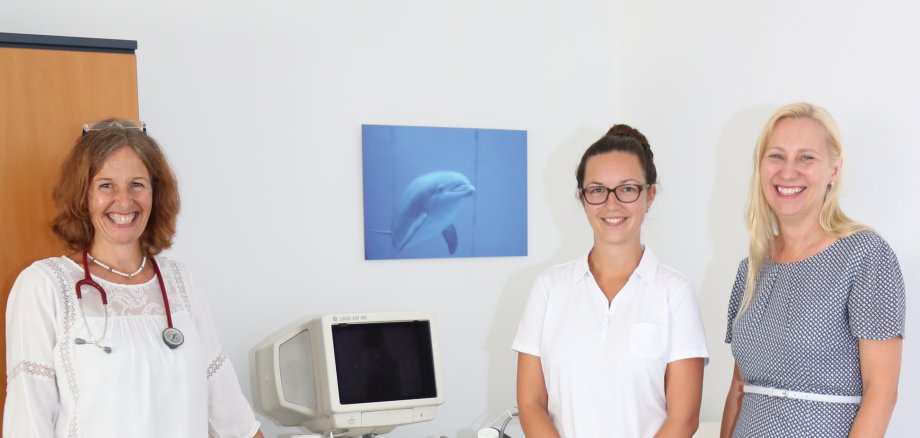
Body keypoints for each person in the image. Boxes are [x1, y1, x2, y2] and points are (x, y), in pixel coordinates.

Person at [3, 119, 264, 437]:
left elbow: (230, 413)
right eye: (106, 185)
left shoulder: (180, 282)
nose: (124, 201)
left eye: (137, 184)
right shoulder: (44, 286)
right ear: (83, 195)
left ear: (156, 193)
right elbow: (28, 422)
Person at [720, 103, 905, 437]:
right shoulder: (750, 269)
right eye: (776, 156)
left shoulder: (865, 256)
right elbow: (739, 388)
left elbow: (882, 392)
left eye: (806, 157)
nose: (788, 172)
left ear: (833, 170)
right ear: (760, 167)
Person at [513, 124, 709, 437]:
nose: (612, 203)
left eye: (628, 188)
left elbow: (683, 419)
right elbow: (531, 402)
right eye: (597, 190)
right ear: (582, 197)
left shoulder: (675, 293)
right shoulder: (549, 288)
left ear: (650, 195)